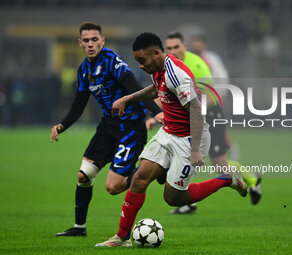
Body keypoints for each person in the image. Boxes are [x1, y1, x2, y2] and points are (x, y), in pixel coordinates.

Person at [94, 32, 247, 247]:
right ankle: (121, 238)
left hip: (190, 139)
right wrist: (127, 99)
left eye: (142, 60)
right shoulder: (158, 68)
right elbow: (157, 89)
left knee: (174, 198)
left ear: (156, 53)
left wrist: (195, 150)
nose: (140, 66)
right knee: (139, 179)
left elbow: (196, 111)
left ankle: (227, 179)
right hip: (168, 133)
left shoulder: (177, 74)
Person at [50, 22, 163, 237]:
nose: (91, 44)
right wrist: (61, 125)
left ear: (102, 40)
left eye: (95, 39)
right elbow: (79, 104)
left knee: (113, 187)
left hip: (130, 127)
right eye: (86, 40)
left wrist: (154, 112)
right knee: (83, 176)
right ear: (80, 43)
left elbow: (133, 86)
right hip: (108, 127)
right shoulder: (84, 69)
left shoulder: (111, 60)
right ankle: (79, 228)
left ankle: (154, 171)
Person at [161, 32, 261, 214]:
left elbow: (209, 95)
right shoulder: (169, 65)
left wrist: (196, 115)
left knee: (219, 164)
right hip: (189, 116)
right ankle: (187, 203)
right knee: (181, 157)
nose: (173, 51)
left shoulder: (198, 65)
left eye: (177, 47)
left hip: (210, 114)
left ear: (184, 47)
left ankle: (252, 179)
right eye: (169, 48)